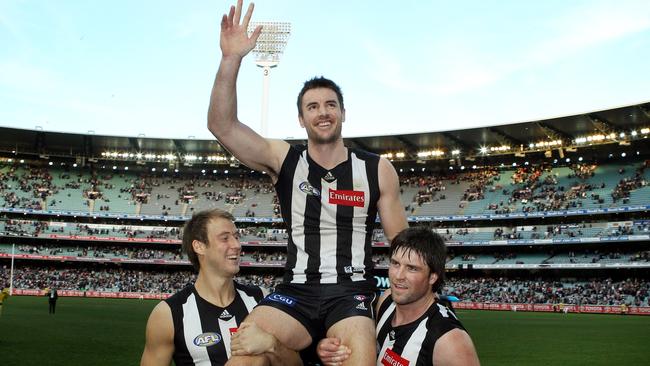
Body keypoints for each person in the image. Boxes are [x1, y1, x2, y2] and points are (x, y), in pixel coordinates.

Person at [208, 1, 408, 364]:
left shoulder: (377, 169)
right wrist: (230, 59)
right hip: (295, 292)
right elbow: (222, 126)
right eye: (312, 106)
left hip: (352, 294)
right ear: (301, 119)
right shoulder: (284, 159)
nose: (323, 112)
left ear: (343, 113)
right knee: (244, 352)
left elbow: (403, 245)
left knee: (357, 357)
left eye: (331, 104)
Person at [140, 209, 300, 366]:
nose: (237, 245)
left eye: (236, 237)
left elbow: (297, 363)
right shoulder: (169, 314)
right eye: (225, 238)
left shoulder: (261, 299)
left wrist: (272, 344)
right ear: (199, 247)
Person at [317, 228, 480, 366]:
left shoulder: (450, 340)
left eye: (412, 268)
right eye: (395, 264)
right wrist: (331, 350)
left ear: (432, 277)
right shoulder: (386, 301)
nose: (398, 276)